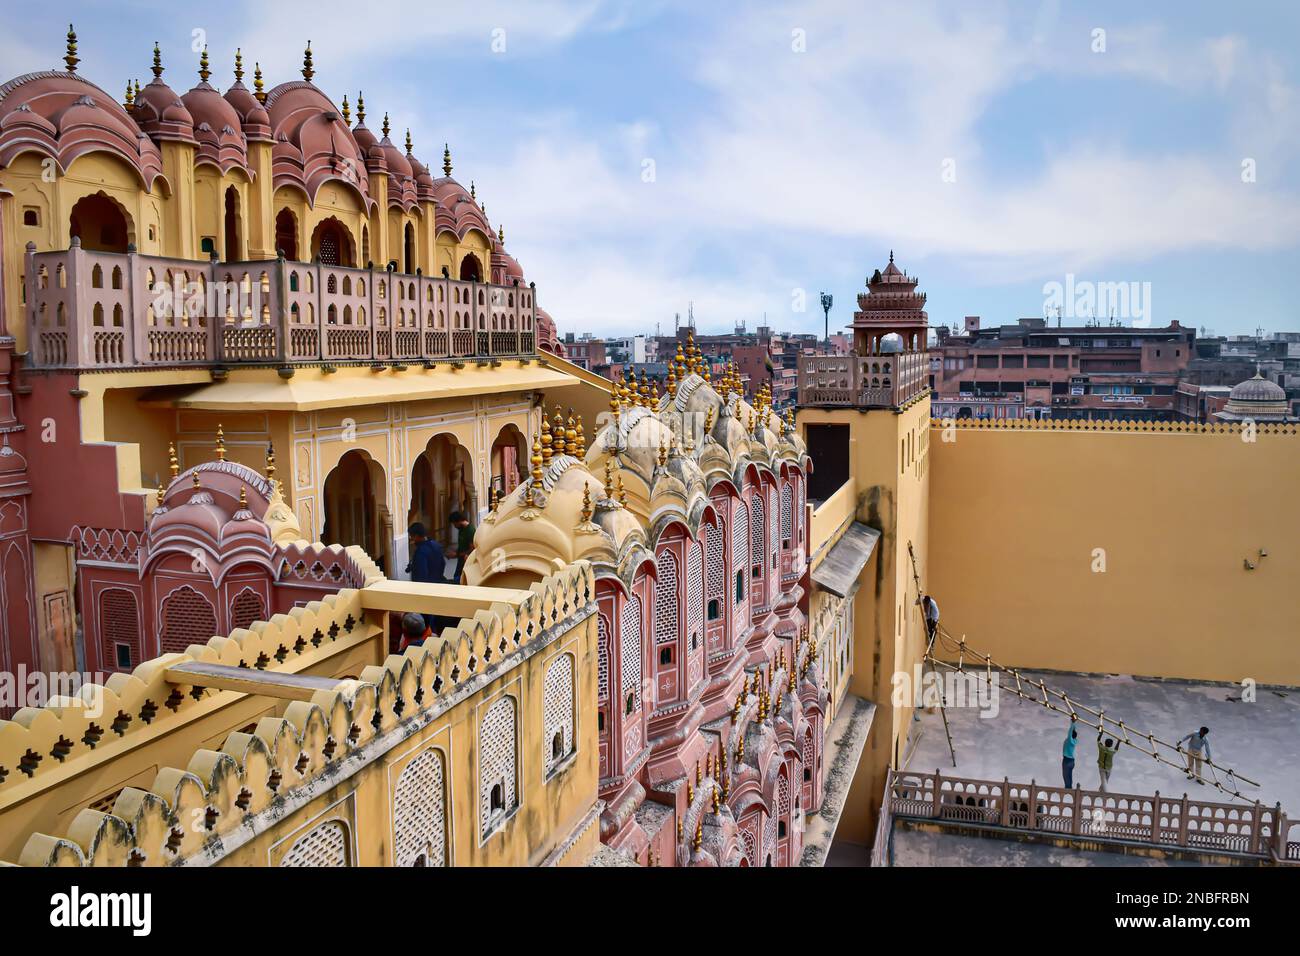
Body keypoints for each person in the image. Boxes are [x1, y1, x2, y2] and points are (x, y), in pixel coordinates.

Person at [406, 522, 445, 630]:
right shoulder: (435, 544)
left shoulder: (421, 552)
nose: (411, 539)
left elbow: (421, 574)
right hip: (438, 582)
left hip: (425, 588)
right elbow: (443, 563)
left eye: (412, 536)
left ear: (417, 536)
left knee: (427, 616)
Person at [445, 510, 476, 584]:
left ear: (458, 521)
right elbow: (461, 545)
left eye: (454, 524)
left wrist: (456, 555)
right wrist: (455, 553)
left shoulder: (470, 530)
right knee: (457, 577)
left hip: (466, 560)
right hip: (460, 559)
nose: (454, 526)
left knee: (461, 579)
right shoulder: (461, 529)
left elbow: (472, 549)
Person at [1062, 716, 1079, 788]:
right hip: (1071, 761)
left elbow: (1070, 732)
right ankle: (1069, 787)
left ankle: (1068, 788)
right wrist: (1074, 724)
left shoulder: (1070, 740)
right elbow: (1072, 731)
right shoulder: (1074, 741)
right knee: (1069, 775)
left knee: (1066, 775)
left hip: (1067, 760)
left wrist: (1073, 722)